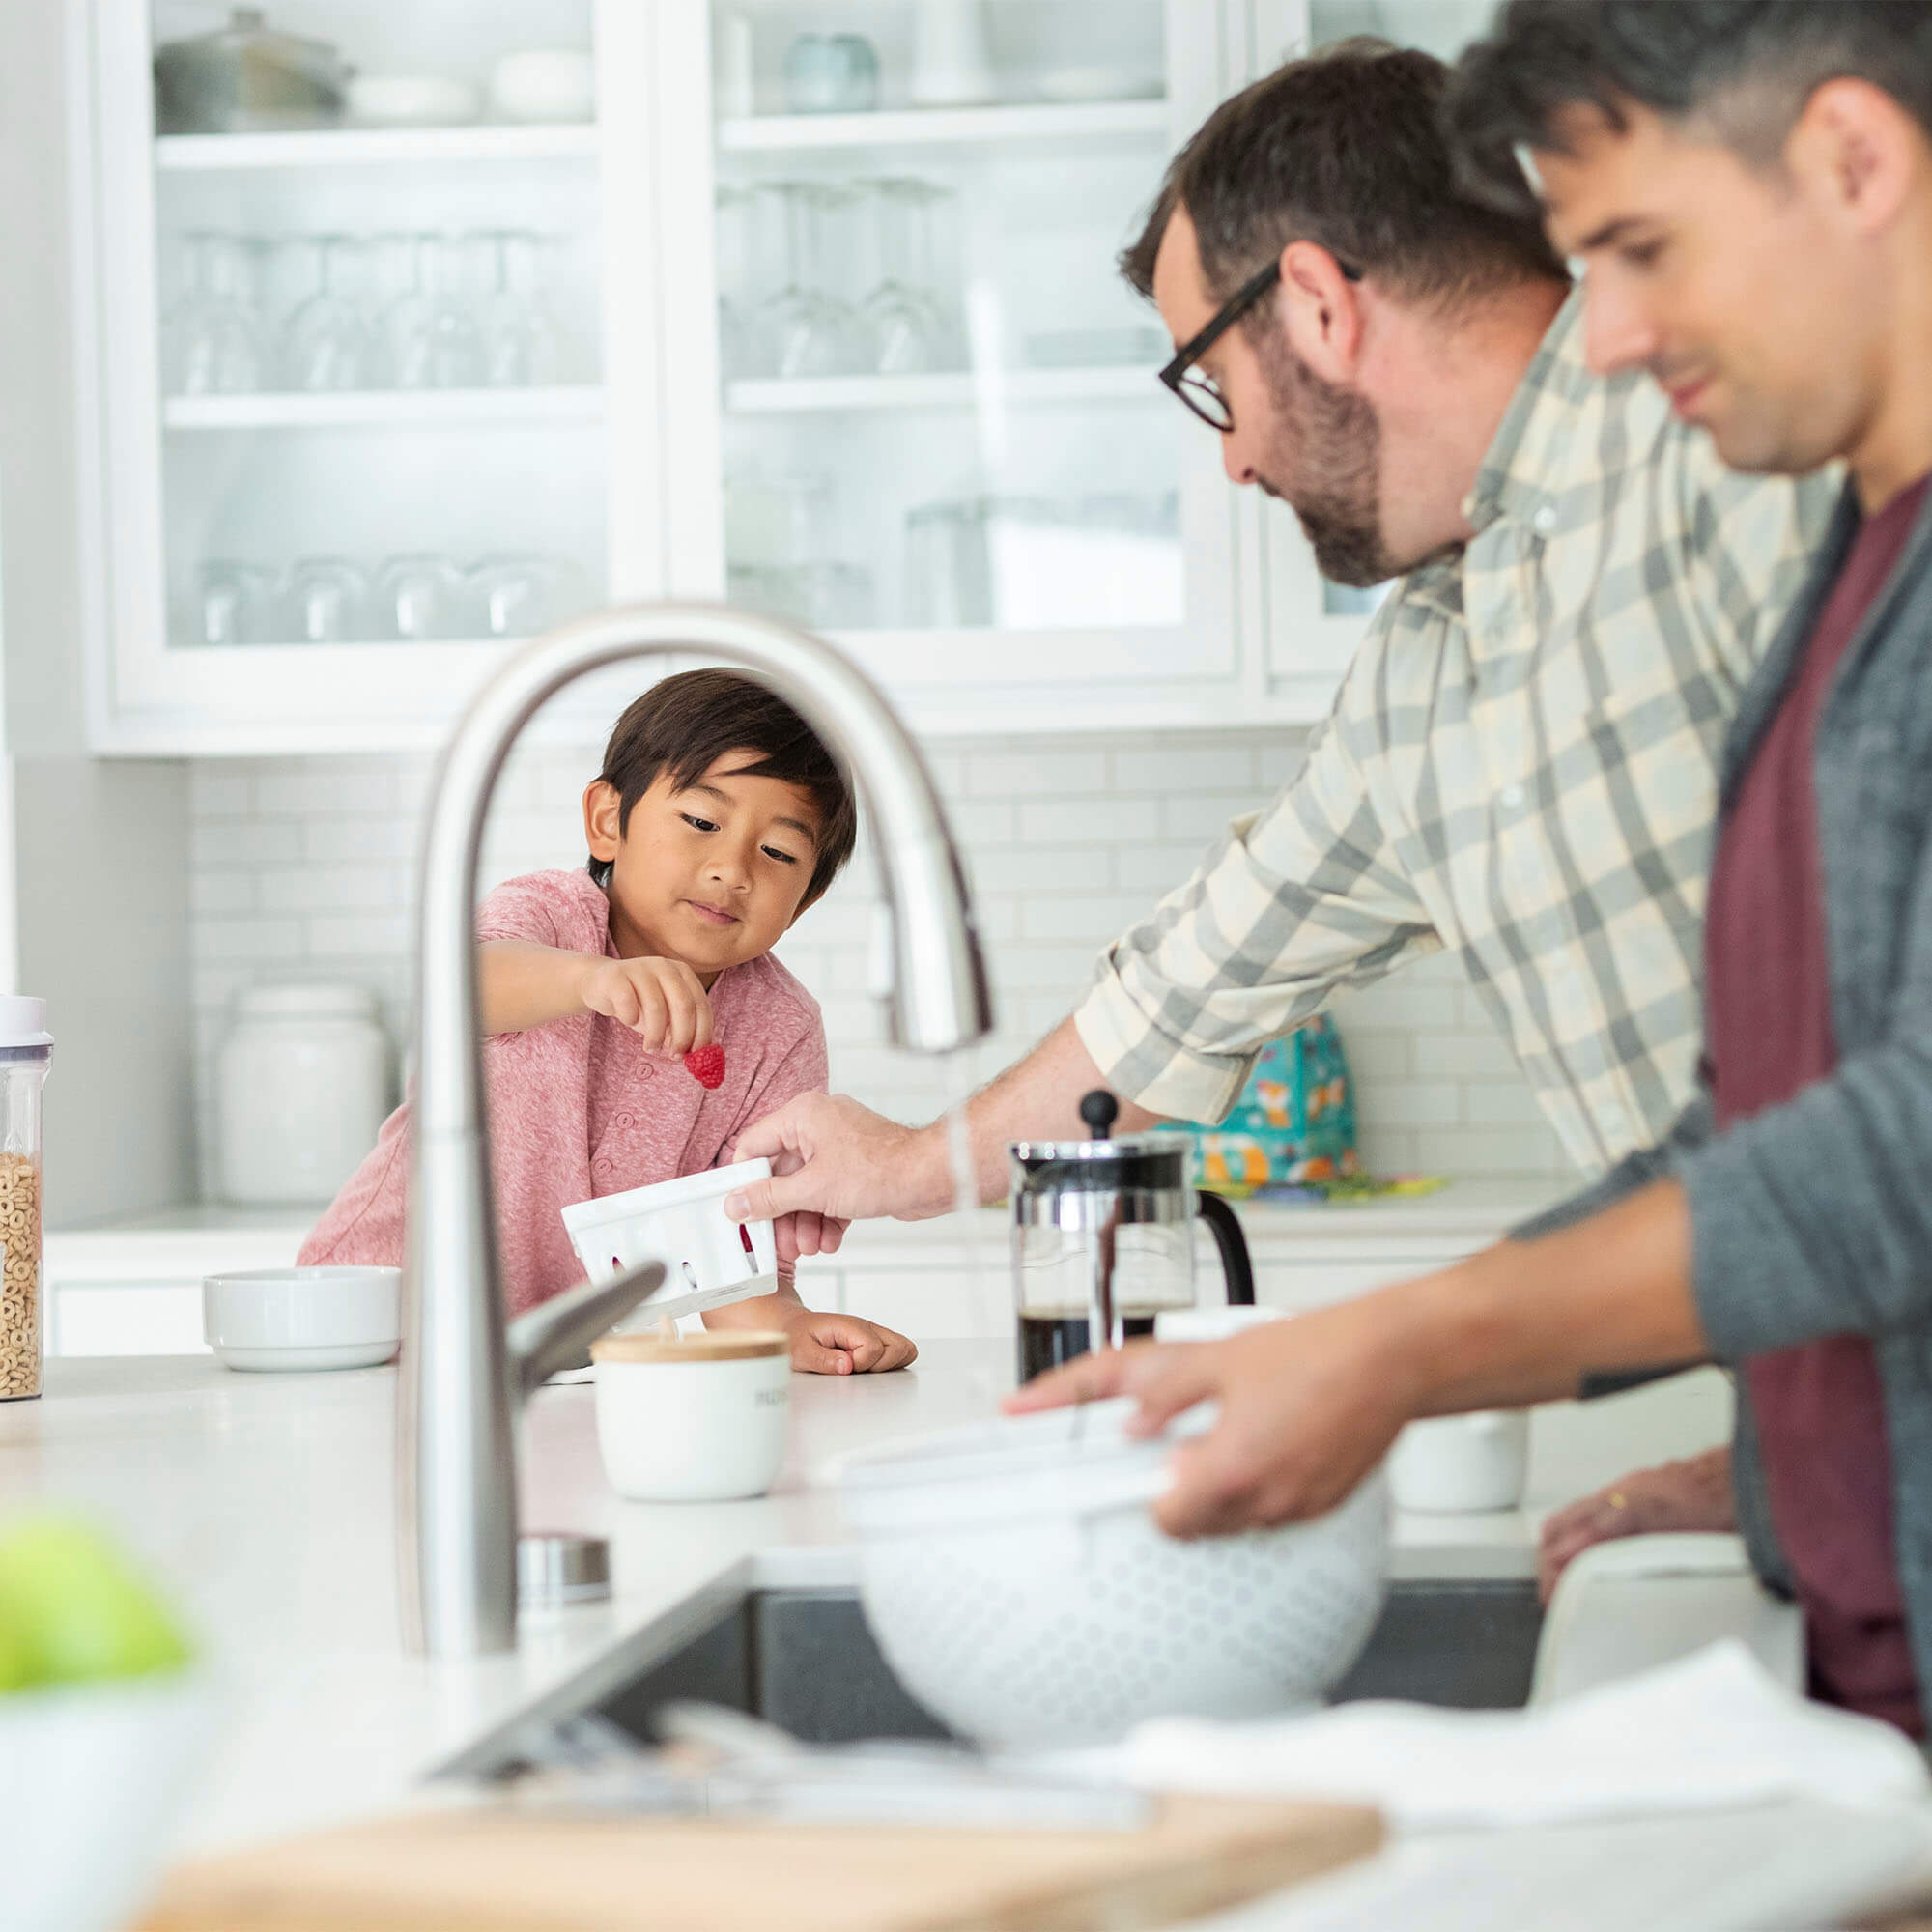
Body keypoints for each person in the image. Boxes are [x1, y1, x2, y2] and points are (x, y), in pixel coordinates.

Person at [725, 39, 1829, 1565]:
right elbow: (1192, 988)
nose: (1234, 458)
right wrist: (911, 1166)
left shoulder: (1737, 463)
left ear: (1316, 303)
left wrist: (1391, 1357)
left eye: (1211, 383)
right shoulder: (1426, 671)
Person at [1015, 0, 1932, 1735]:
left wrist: (1387, 1357)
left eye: (1640, 250)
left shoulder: (1757, 508)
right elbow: (1763, 1125)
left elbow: (1907, 1145)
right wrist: (1773, 1476)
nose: (1605, 338)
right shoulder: (1838, 578)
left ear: (1855, 163)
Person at [302, 669, 916, 1378]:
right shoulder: (548, 916)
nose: (732, 869)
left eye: (778, 853)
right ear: (607, 821)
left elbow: (736, 1246)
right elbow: (465, 984)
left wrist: (791, 1330)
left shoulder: (782, 1028)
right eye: (701, 822)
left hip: (558, 1357)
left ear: (802, 902)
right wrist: (590, 979)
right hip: (377, 1309)